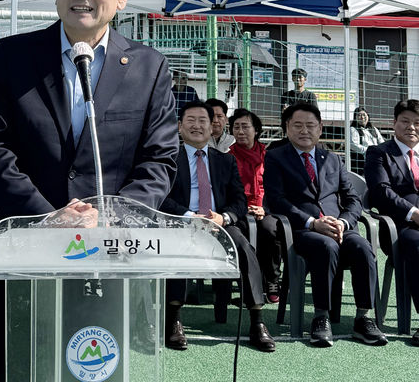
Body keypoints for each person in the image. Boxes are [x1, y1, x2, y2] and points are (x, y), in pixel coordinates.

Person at [0, 0, 178, 382]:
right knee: (26, 367)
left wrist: (110, 215)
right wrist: (50, 217)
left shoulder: (149, 67)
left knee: (100, 367)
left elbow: (160, 159)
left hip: (112, 254)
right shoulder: (14, 57)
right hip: (30, 251)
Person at [264, 102, 387, 347]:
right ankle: (321, 317)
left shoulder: (331, 158)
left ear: (320, 129)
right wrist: (312, 223)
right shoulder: (276, 157)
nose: (304, 131)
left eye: (310, 125)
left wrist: (343, 222)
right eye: (297, 125)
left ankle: (364, 318)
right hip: (302, 230)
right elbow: (276, 200)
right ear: (287, 128)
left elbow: (352, 198)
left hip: (338, 227)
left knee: (362, 248)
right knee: (325, 247)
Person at [161, 101, 276, 352]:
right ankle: (173, 319)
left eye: (203, 120)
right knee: (174, 247)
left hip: (218, 224)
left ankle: (257, 321)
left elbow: (238, 200)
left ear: (212, 126)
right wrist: (190, 215)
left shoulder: (225, 161)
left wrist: (223, 218)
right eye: (190, 120)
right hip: (183, 223)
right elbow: (162, 197)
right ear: (179, 126)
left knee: (244, 247)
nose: (197, 125)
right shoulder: (169, 160)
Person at [364, 99, 419, 346]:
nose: (411, 127)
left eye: (417, 123)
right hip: (400, 225)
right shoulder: (379, 153)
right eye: (405, 121)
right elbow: (380, 192)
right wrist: (414, 213)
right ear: (394, 123)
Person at [228, 108, 282, 302]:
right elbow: (228, 190)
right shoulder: (227, 157)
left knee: (270, 229)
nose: (240, 131)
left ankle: (273, 281)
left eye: (245, 127)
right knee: (242, 231)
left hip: (265, 208)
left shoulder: (271, 157)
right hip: (239, 210)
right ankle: (248, 285)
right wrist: (244, 207)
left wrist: (264, 208)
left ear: (256, 130)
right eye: (236, 127)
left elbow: (276, 189)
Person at [350, 107, 385, 173]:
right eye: (359, 115)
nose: (362, 117)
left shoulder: (373, 129)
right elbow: (353, 145)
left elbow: (381, 142)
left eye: (364, 115)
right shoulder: (353, 129)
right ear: (355, 118)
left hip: (376, 159)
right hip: (362, 161)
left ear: (368, 116)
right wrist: (369, 150)